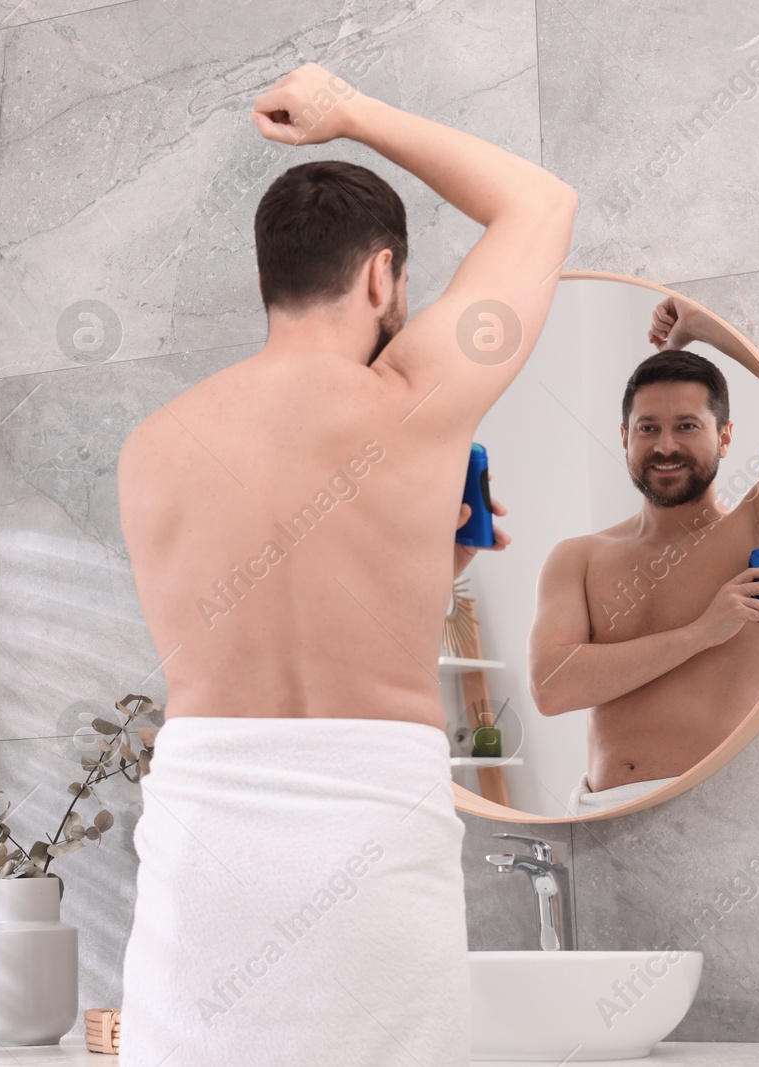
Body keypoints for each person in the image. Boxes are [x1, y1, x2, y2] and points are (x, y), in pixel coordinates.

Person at [115, 62, 576, 1067]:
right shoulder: (414, 398)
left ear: (265, 280)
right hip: (369, 828)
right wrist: (348, 114)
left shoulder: (153, 445)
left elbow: (255, 609)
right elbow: (539, 202)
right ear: (382, 276)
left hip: (204, 837)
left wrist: (422, 555)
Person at [526, 295, 759, 816]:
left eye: (687, 426)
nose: (664, 446)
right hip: (599, 816)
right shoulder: (580, 557)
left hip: (723, 815)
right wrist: (699, 634)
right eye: (647, 428)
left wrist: (704, 326)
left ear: (725, 438)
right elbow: (552, 687)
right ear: (624, 437)